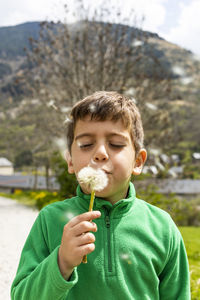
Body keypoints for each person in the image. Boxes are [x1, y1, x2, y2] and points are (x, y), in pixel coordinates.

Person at [11, 91, 190, 299]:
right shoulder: (49, 220)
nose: (100, 153)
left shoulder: (162, 227)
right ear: (70, 161)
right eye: (86, 145)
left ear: (138, 162)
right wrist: (62, 262)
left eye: (116, 144)